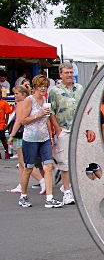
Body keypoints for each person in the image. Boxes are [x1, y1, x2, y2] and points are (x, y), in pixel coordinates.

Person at [18, 75, 63, 208]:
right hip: (30, 139)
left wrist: (50, 137)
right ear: (35, 87)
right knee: (28, 168)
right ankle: (23, 196)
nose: (43, 88)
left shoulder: (45, 100)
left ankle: (50, 198)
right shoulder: (29, 100)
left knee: (48, 167)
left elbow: (47, 120)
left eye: (45, 86)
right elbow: (23, 120)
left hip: (44, 138)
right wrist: (39, 114)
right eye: (41, 86)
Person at [48, 62, 84, 205]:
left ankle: (76, 189)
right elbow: (51, 111)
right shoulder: (55, 91)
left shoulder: (79, 88)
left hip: (78, 129)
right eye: (66, 73)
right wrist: (58, 129)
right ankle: (67, 192)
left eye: (71, 72)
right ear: (61, 74)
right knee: (64, 161)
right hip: (64, 129)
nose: (69, 75)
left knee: (78, 160)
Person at [0, 87, 12, 159]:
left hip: (1, 123)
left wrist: (6, 123)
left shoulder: (4, 103)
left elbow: (7, 114)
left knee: (2, 137)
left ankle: (7, 151)